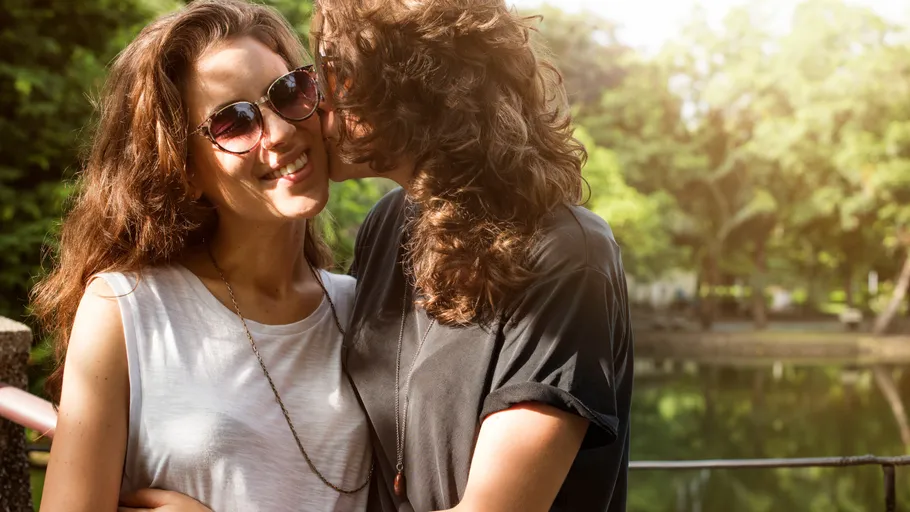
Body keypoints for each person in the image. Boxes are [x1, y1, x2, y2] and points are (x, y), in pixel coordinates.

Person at [32, 1, 372, 511]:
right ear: (183, 169)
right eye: (234, 122)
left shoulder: (366, 309)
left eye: (288, 92)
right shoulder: (129, 310)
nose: (280, 132)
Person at [312, 0, 634, 510]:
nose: (315, 97)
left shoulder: (568, 256)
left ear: (412, 88)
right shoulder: (388, 225)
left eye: (334, 72)